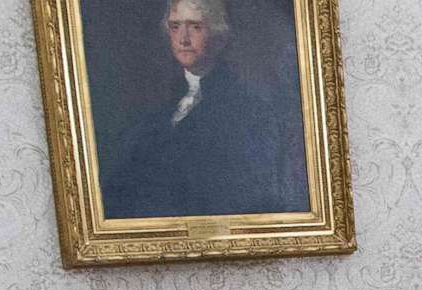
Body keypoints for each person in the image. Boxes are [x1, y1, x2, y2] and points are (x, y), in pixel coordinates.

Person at [100, 0, 309, 220]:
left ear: (218, 34)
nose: (183, 39)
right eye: (175, 26)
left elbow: (252, 198)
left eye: (195, 27)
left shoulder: (249, 110)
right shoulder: (159, 110)